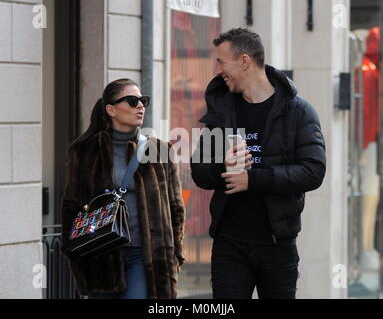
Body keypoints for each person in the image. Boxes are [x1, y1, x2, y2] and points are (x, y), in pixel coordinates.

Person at [190, 28, 326, 299]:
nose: (218, 70)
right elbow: (199, 172)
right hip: (229, 243)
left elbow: (313, 171)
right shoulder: (222, 112)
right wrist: (222, 168)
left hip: (278, 245)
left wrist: (253, 180)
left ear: (244, 61)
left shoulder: (298, 112)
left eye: (221, 61)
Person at [60, 78, 186, 299]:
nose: (140, 106)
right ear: (111, 109)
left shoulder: (160, 151)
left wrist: (175, 255)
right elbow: (71, 206)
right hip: (100, 257)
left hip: (146, 256)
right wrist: (75, 255)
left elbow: (176, 208)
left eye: (142, 100)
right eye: (131, 100)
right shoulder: (86, 152)